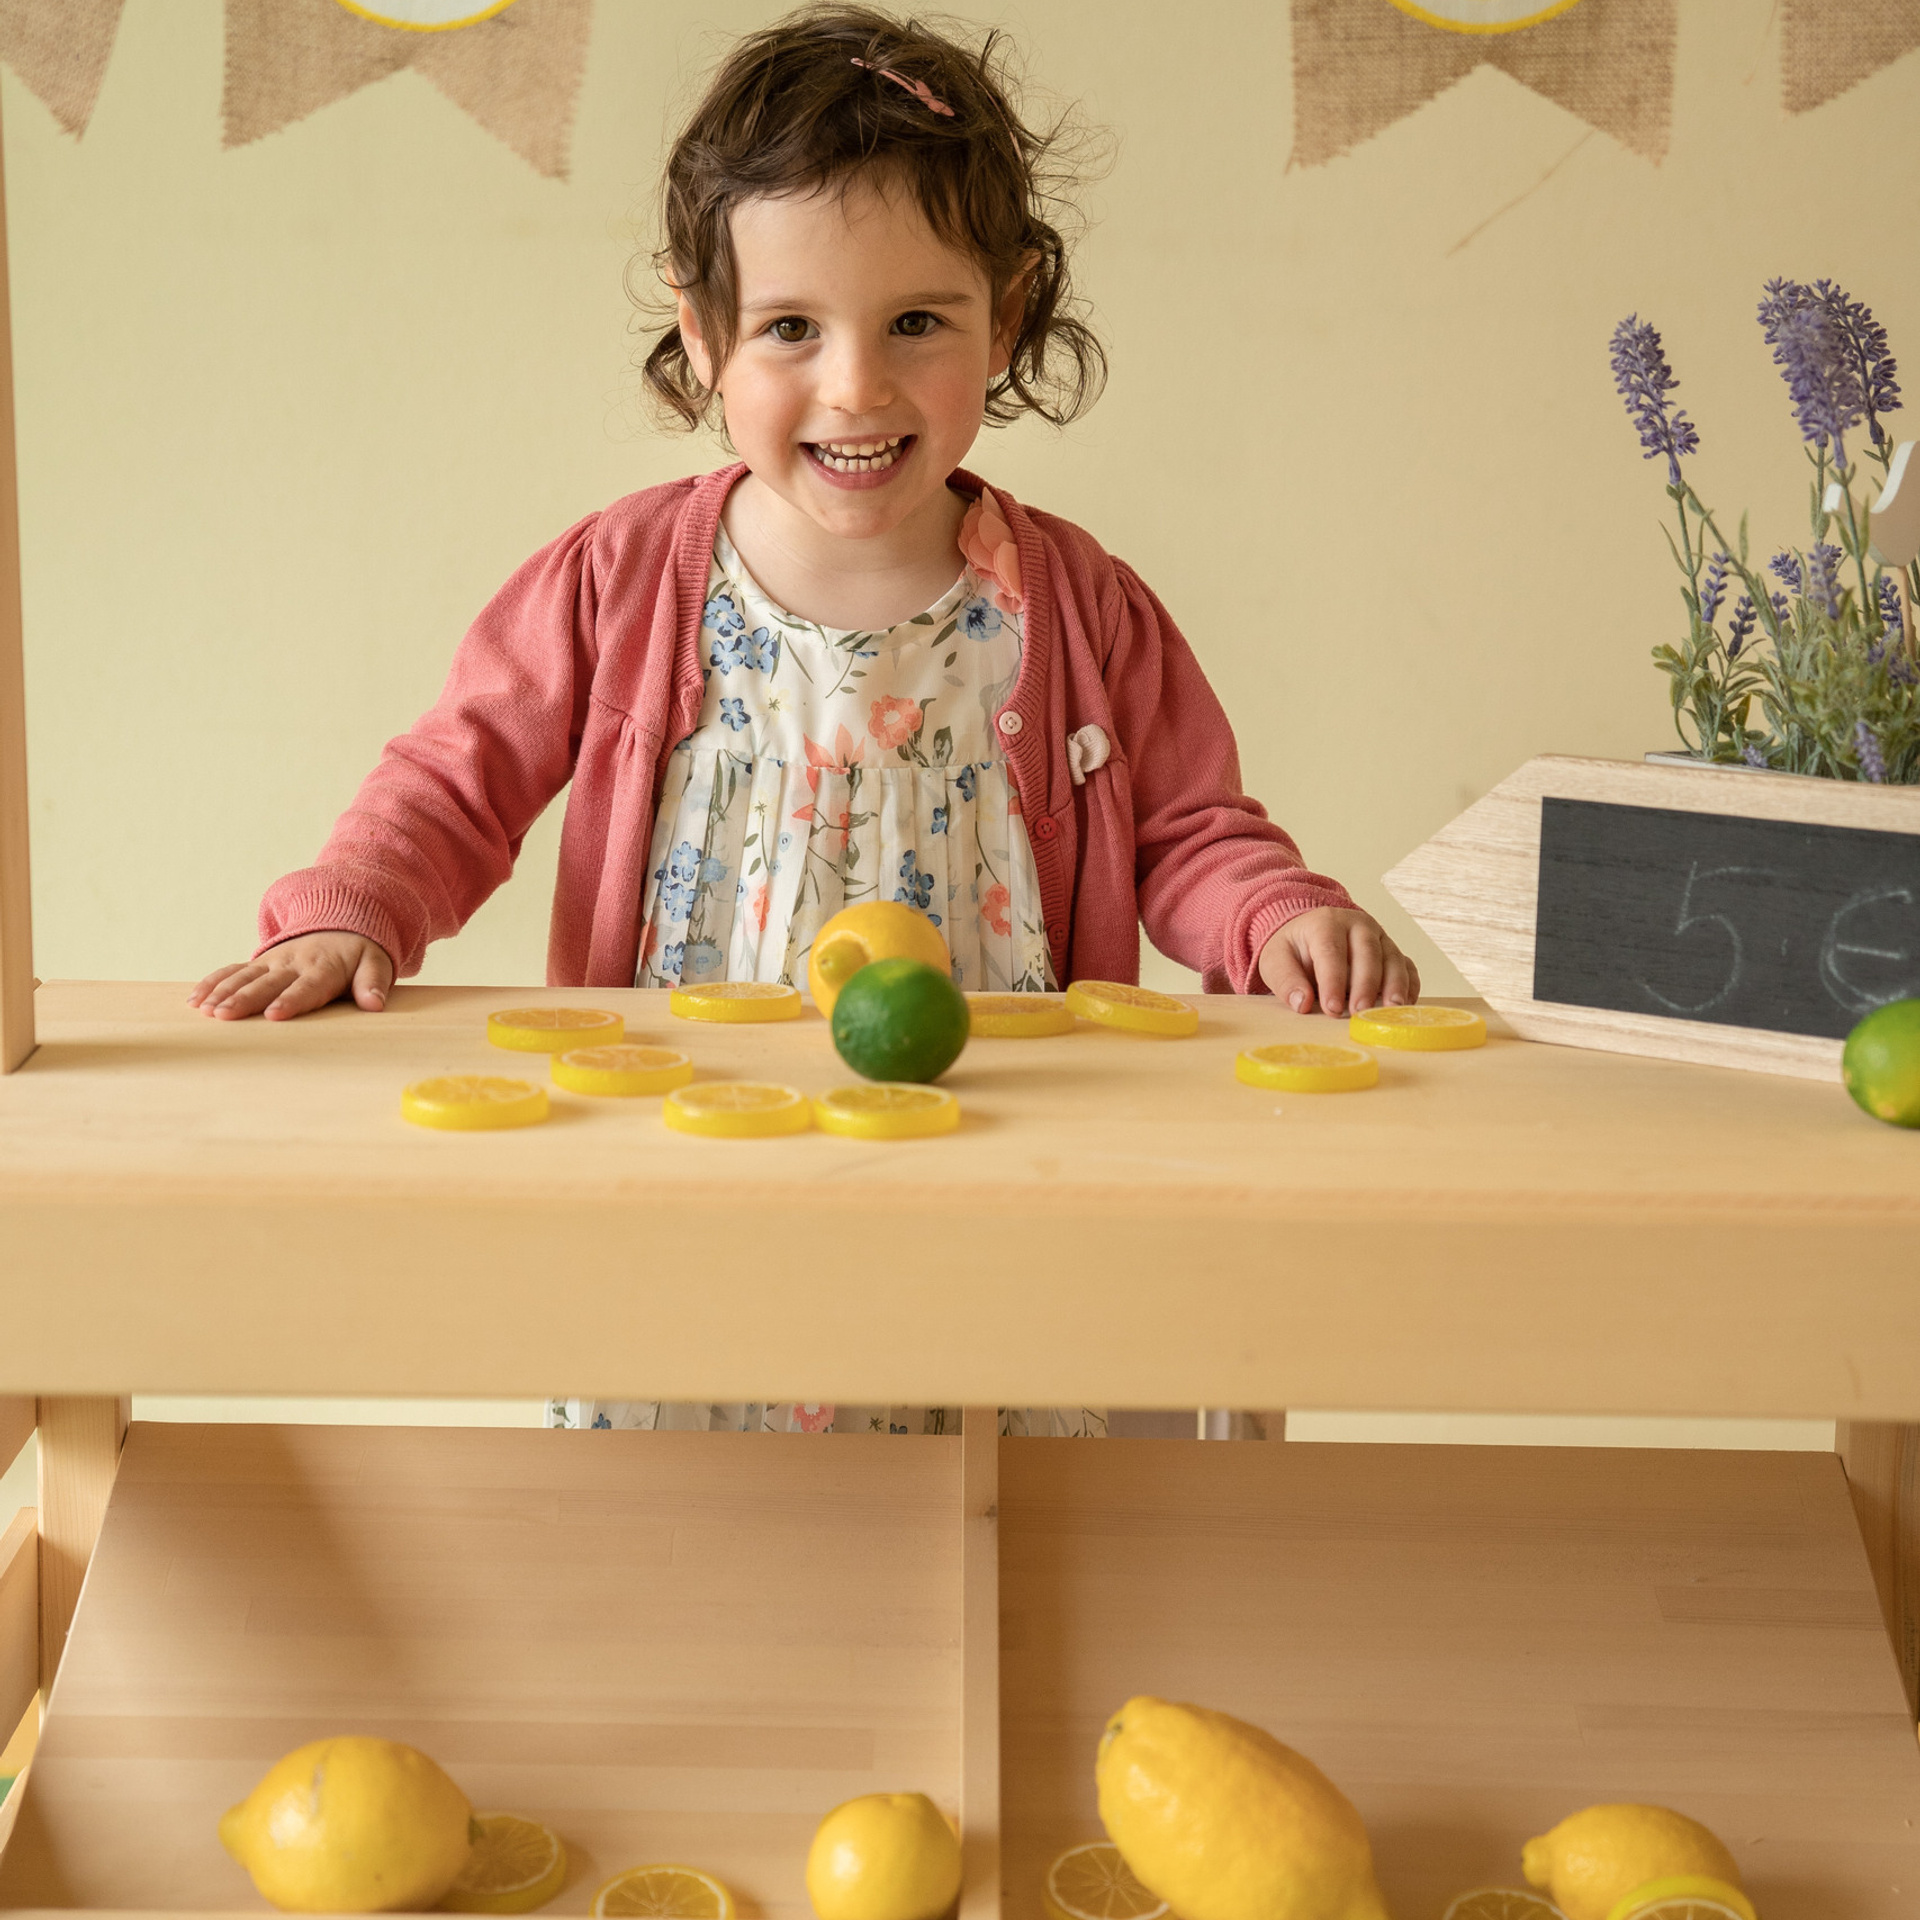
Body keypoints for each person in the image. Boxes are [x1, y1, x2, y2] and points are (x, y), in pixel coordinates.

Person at [189, 3, 1418, 1436]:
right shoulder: (620, 581)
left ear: (1008, 313)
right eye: (790, 328)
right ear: (702, 330)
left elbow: (1191, 828)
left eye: (917, 322)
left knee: (980, 1475)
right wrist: (353, 911)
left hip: (989, 1162)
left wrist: (1275, 916)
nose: (856, 386)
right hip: (689, 1156)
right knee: (693, 1491)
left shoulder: (1077, 607)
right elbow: (457, 776)